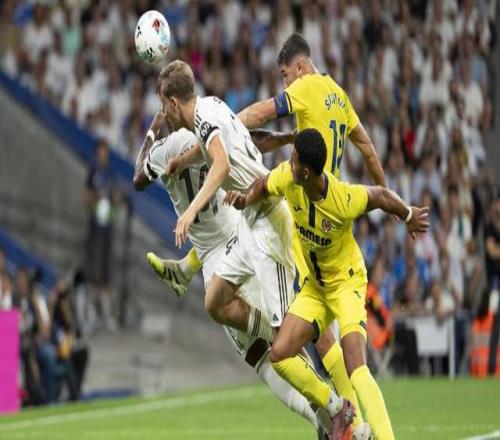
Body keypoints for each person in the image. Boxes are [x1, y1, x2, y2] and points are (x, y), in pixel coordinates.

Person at [156, 60, 353, 438]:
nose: (163, 113)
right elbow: (212, 147)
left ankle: (337, 410)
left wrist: (191, 210)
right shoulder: (211, 106)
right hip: (248, 224)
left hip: (267, 227)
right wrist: (182, 159)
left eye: (164, 105)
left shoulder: (205, 119)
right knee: (215, 301)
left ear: (173, 102)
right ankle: (327, 400)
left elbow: (220, 164)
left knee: (284, 349)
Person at [133, 111, 330, 438]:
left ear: (170, 105)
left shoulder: (164, 150)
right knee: (277, 346)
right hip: (244, 236)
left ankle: (326, 414)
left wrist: (152, 132)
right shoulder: (208, 130)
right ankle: (326, 415)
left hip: (220, 262)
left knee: (263, 355)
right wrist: (286, 138)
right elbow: (250, 142)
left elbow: (138, 178)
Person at [224, 129, 430, 440]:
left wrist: (408, 214)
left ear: (306, 171)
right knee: (280, 354)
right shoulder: (288, 178)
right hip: (315, 290)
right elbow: (263, 185)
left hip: (347, 285)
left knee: (356, 367)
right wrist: (244, 198)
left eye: (294, 159)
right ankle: (336, 408)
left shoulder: (342, 199)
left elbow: (380, 195)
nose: (289, 162)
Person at [84, 139, 117, 331]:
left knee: (106, 269)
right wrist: (96, 197)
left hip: (108, 227)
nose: (102, 155)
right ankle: (91, 312)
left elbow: (114, 198)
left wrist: (114, 199)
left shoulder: (111, 174)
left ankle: (106, 313)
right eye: (100, 152)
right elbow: (86, 196)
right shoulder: (93, 172)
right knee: (93, 269)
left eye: (105, 152)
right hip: (94, 226)